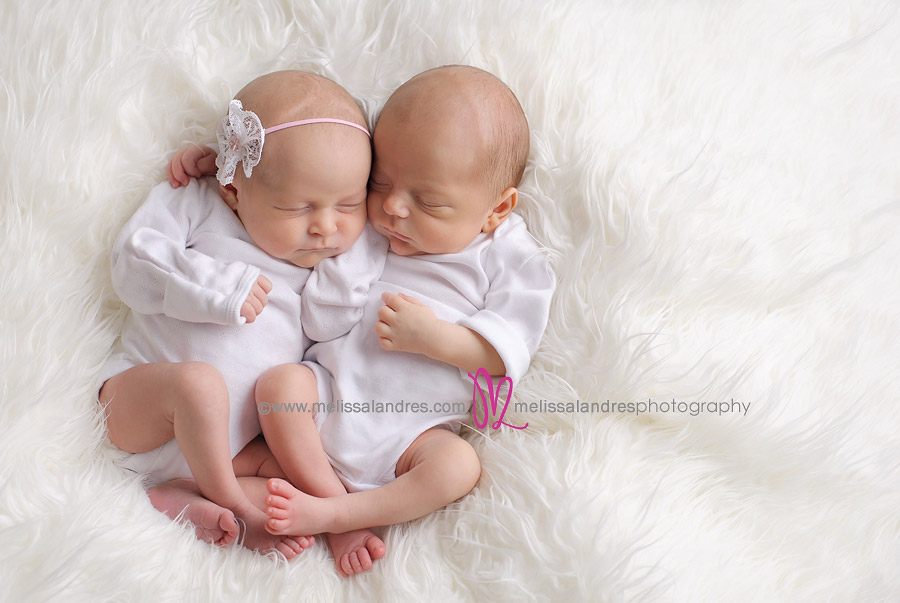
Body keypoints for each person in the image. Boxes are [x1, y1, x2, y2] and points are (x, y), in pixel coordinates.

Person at [168, 65, 555, 577]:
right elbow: (301, 173)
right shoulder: (365, 225)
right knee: (278, 388)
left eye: (428, 201)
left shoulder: (509, 254)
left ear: (495, 209)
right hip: (325, 404)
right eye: (381, 182)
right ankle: (198, 497)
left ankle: (339, 513)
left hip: (412, 435)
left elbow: (507, 354)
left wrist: (438, 340)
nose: (393, 207)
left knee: (459, 466)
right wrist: (223, 170)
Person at [98, 70, 387, 564]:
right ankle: (232, 502)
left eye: (349, 204)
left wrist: (365, 245)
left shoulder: (320, 265)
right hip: (140, 408)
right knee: (199, 387)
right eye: (298, 207)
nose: (325, 227)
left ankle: (182, 498)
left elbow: (329, 324)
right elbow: (133, 263)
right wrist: (218, 286)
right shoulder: (201, 200)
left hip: (229, 454)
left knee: (298, 472)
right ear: (235, 190)